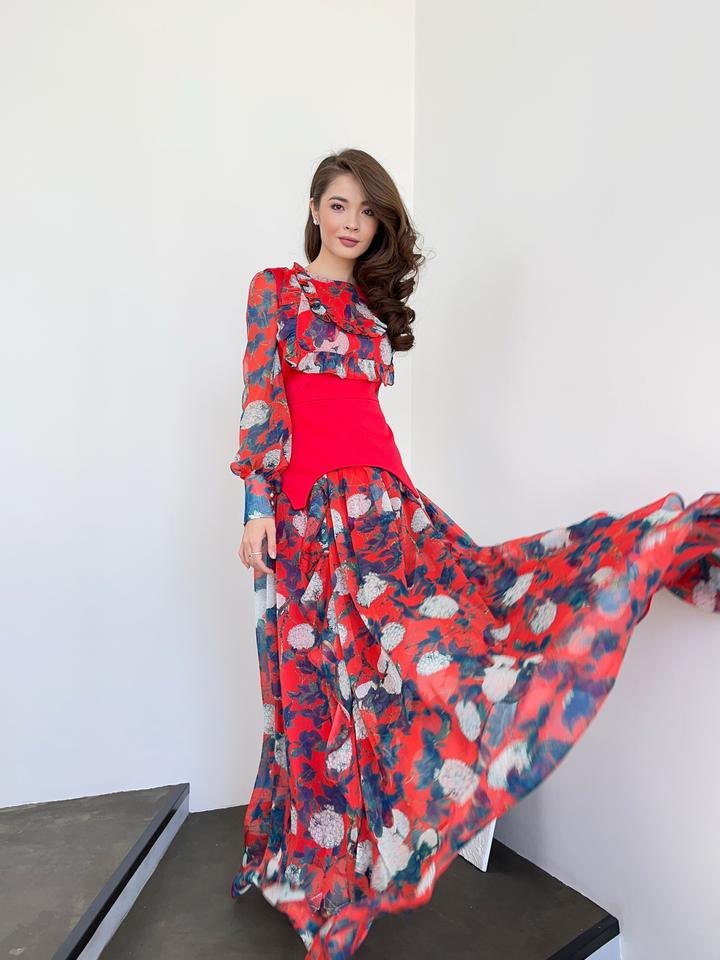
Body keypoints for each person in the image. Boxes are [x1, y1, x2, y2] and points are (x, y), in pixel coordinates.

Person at [228, 148, 720, 960]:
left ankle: (665, 543)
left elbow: (367, 424)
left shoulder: (370, 313)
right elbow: (262, 399)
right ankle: (309, 860)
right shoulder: (273, 289)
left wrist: (402, 504)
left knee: (465, 616)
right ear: (314, 209)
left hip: (385, 506)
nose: (353, 224)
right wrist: (257, 509)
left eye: (369, 212)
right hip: (308, 517)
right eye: (340, 206)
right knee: (314, 689)